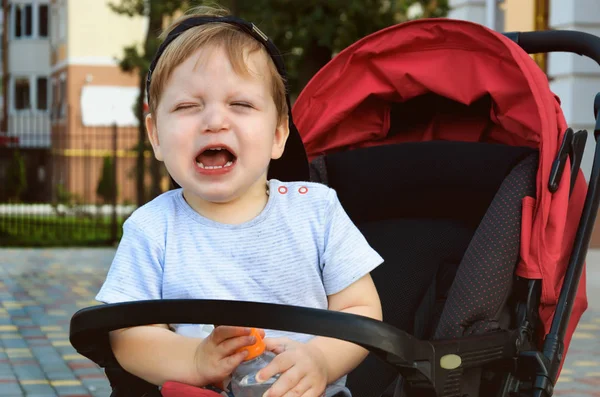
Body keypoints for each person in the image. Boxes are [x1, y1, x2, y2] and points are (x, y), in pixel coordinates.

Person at [95, 5, 384, 397]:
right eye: (187, 106)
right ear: (156, 135)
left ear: (280, 132)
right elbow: (126, 334)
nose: (214, 121)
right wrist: (193, 359)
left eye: (241, 105)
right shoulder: (152, 228)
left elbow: (361, 312)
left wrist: (322, 360)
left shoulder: (317, 211)